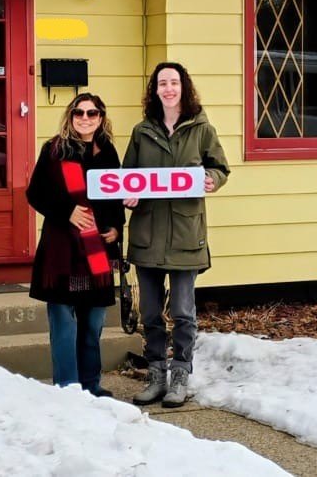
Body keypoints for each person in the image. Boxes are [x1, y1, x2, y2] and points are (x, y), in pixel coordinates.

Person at [122, 62, 230, 408]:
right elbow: (127, 175)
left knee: (183, 312)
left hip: (185, 233)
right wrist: (129, 193)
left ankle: (181, 372)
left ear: (184, 87)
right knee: (151, 312)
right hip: (148, 233)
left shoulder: (201, 129)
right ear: (155, 90)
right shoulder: (142, 131)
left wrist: (214, 179)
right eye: (162, 83)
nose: (168, 88)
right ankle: (156, 374)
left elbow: (219, 167)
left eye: (174, 82)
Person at [24, 92, 123, 397]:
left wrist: (116, 229)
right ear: (70, 116)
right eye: (79, 113)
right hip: (62, 249)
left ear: (101, 118)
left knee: (93, 323)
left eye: (92, 113)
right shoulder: (54, 150)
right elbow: (35, 194)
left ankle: (91, 385)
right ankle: (68, 388)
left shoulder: (107, 152)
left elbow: (115, 196)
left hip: (96, 249)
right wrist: (67, 211)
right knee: (64, 323)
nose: (85, 118)